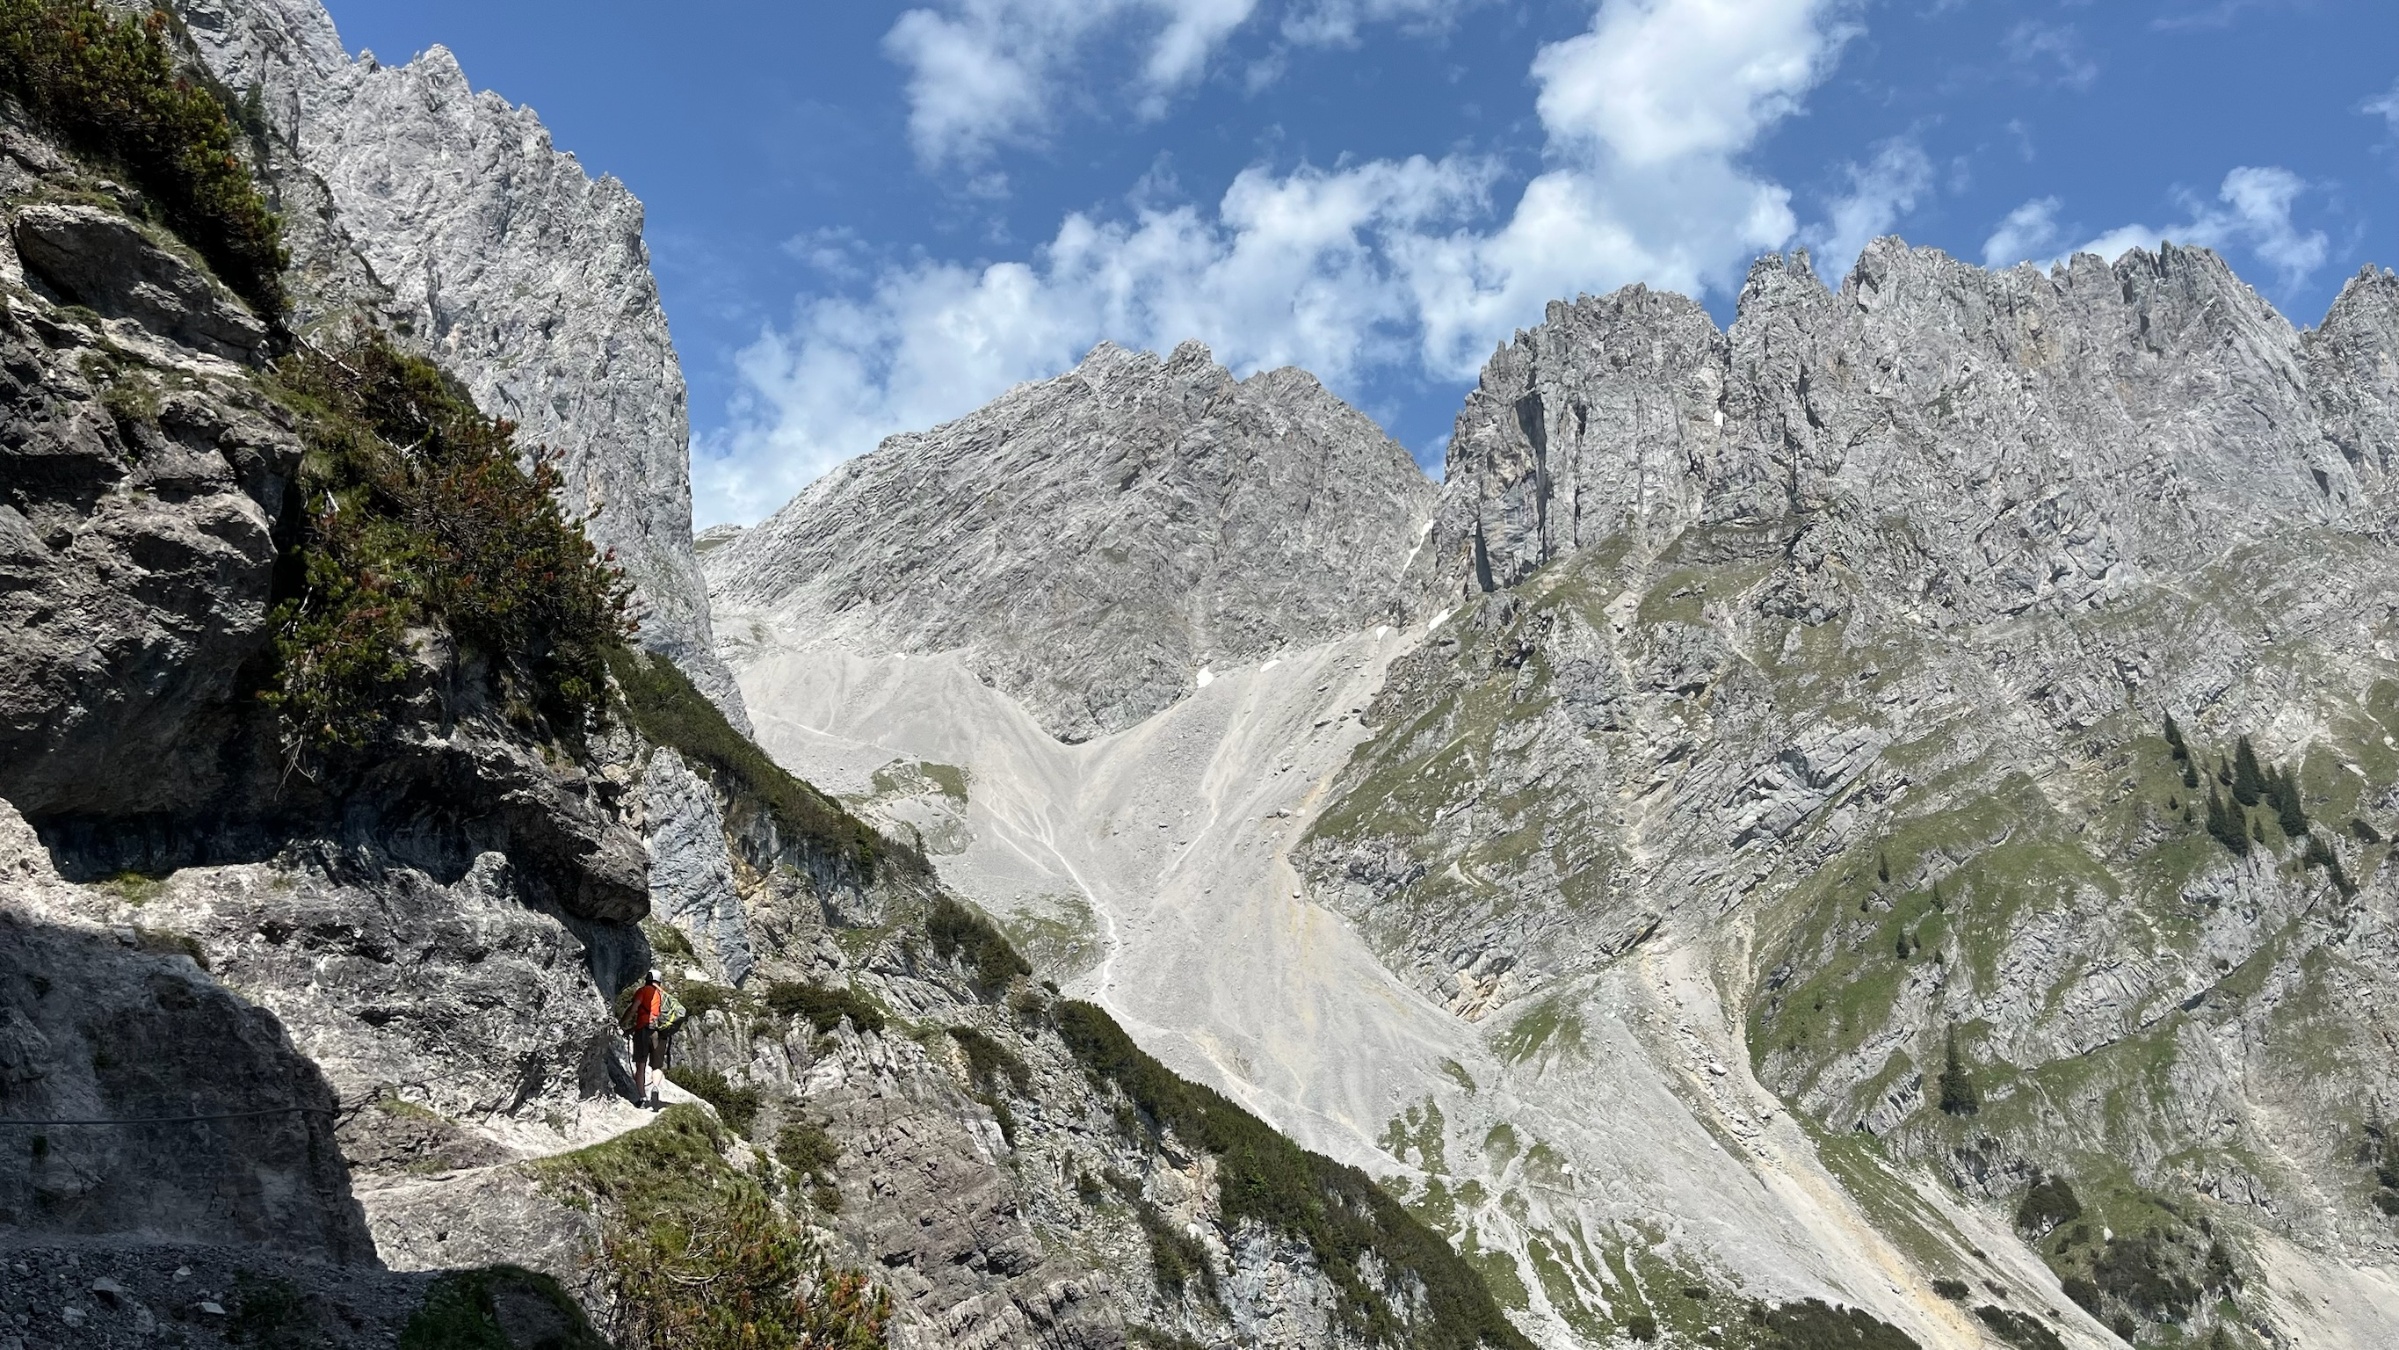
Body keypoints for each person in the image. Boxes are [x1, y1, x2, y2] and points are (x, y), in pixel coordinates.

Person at [624, 968, 670, 1109]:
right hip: (660, 1033)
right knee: (657, 1066)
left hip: (643, 1031)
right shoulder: (664, 995)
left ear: (648, 979)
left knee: (641, 1065)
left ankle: (643, 1098)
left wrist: (624, 1023)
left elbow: (634, 1008)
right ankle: (655, 1088)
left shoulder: (643, 991)